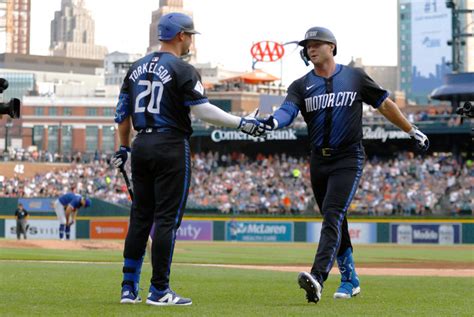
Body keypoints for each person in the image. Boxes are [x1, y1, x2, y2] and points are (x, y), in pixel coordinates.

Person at [257, 26, 429, 303]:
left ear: (332, 47)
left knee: (332, 214)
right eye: (308, 45)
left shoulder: (355, 77)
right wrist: (273, 121)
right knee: (336, 219)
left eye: (317, 43)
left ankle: (318, 277)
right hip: (318, 159)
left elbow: (385, 105)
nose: (311, 48)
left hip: (348, 157)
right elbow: (287, 110)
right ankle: (350, 279)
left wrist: (412, 130)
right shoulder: (300, 85)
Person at [111, 12, 263, 306]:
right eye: (190, 35)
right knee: (166, 220)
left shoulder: (135, 68)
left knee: (140, 218)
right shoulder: (183, 69)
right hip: (170, 144)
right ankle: (159, 290)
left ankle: (128, 288)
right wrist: (241, 122)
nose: (192, 40)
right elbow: (203, 110)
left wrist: (123, 148)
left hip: (141, 144)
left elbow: (121, 116)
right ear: (180, 35)